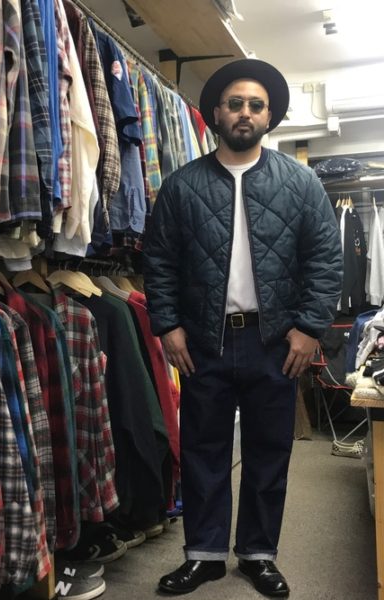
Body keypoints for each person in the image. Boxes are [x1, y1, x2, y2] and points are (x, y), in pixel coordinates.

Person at [142, 58, 343, 598]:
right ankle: (204, 556)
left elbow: (325, 260)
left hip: (274, 342)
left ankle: (258, 553)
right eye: (235, 103)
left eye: (256, 104)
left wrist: (309, 327)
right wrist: (168, 325)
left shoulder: (300, 183)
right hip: (203, 341)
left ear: (269, 116)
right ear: (216, 113)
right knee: (203, 450)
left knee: (268, 451)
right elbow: (159, 262)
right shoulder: (182, 187)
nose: (245, 112)